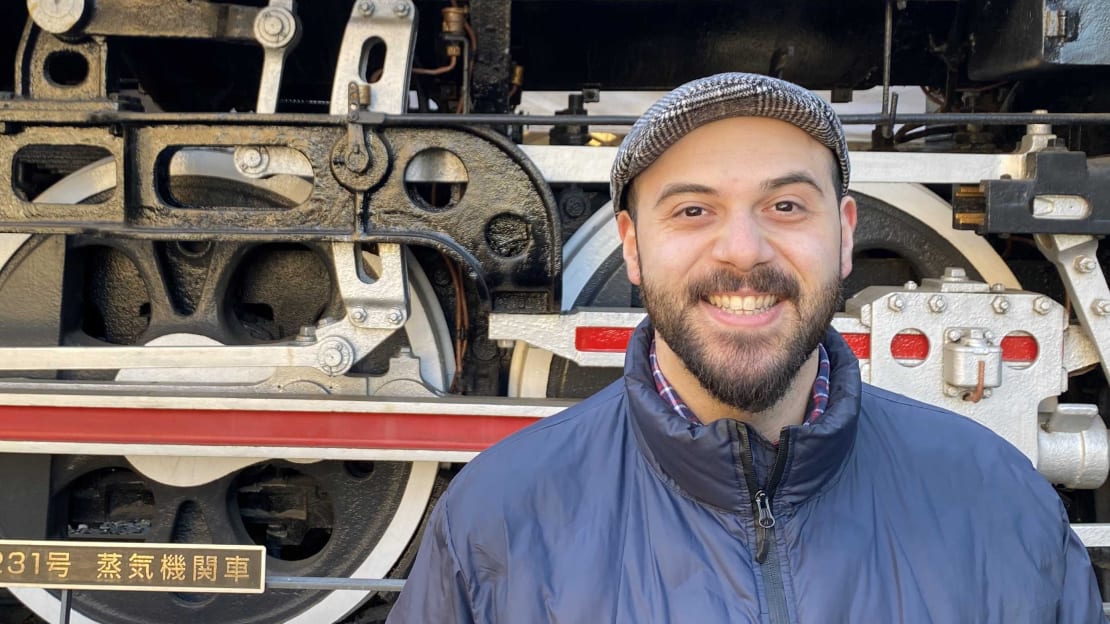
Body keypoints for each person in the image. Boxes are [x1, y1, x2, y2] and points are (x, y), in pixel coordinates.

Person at [387, 73, 1105, 623]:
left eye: (786, 206)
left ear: (846, 233)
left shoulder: (1000, 503)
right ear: (632, 247)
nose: (742, 250)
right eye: (693, 210)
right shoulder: (494, 524)